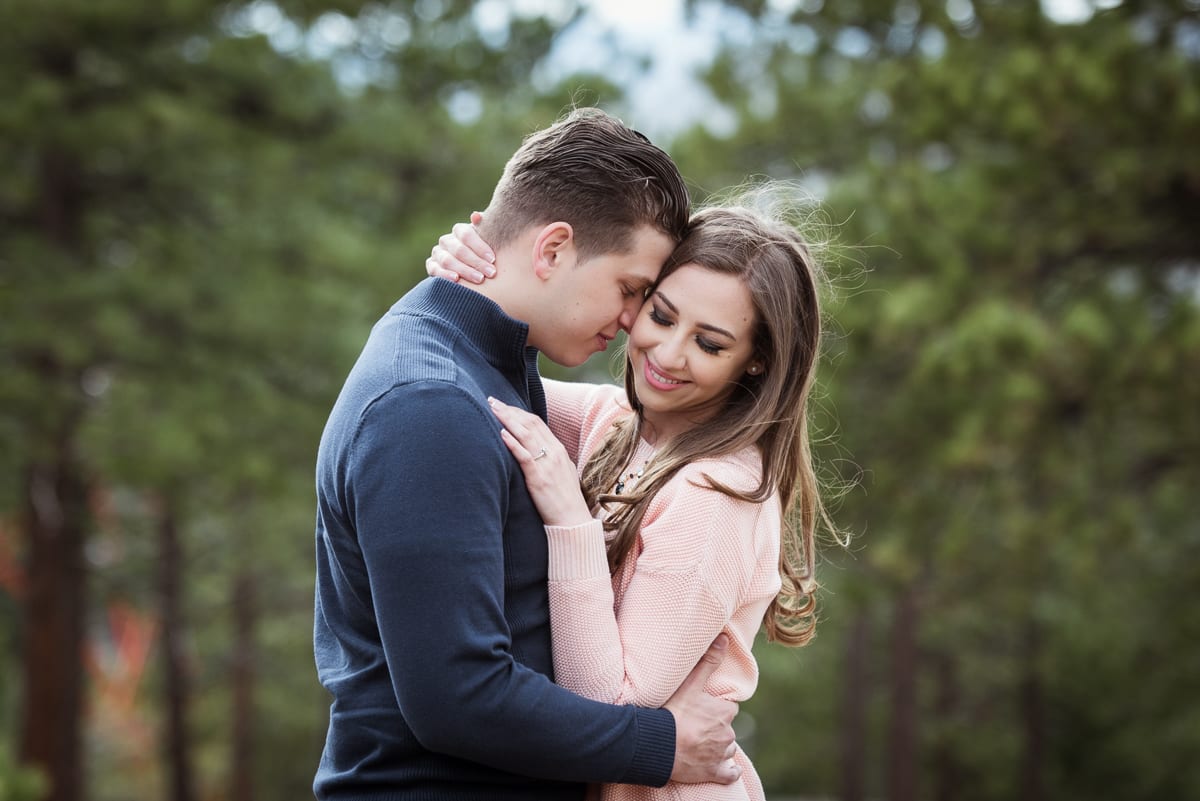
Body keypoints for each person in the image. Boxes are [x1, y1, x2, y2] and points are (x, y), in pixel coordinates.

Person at [312, 108, 744, 801]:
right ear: (552, 250)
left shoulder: (488, 363)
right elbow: (460, 695)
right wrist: (662, 744)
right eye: (632, 289)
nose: (635, 320)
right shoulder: (429, 406)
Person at [428, 194, 835, 800]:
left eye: (711, 344)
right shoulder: (618, 421)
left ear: (757, 363)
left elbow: (609, 707)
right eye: (663, 317)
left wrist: (571, 519)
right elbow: (478, 387)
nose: (669, 356)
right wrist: (465, 274)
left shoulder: (717, 493)